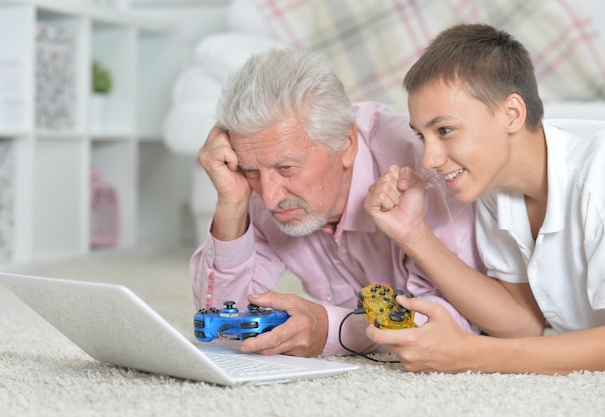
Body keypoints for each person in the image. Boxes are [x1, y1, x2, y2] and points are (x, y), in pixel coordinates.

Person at [190, 47, 484, 358]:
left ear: (346, 144)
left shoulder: (427, 167)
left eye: (286, 168)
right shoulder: (260, 176)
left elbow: (455, 322)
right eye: (251, 170)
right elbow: (222, 325)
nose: (270, 196)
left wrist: (334, 329)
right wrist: (232, 204)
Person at [363, 23, 605, 374]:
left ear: (512, 114)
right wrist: (412, 235)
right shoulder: (495, 184)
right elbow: (522, 324)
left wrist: (472, 354)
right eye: (422, 136)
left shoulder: (597, 176)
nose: (429, 159)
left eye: (444, 130)